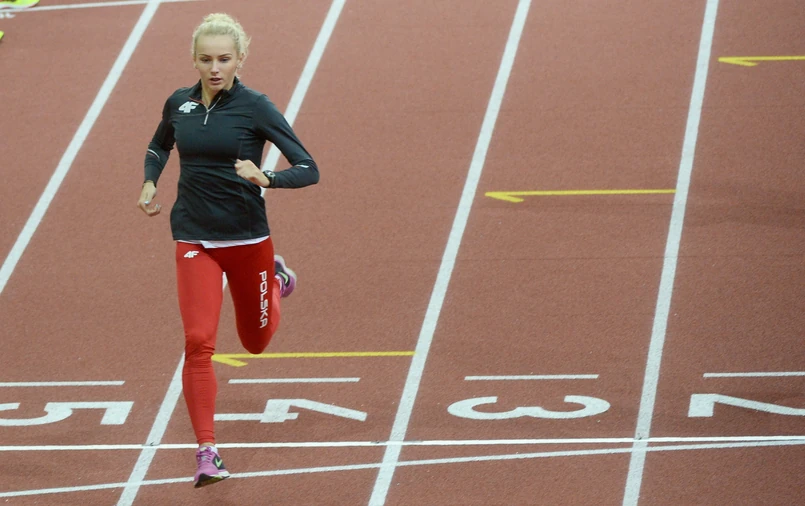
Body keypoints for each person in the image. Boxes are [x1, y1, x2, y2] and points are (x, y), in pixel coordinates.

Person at [137, 12, 319, 488]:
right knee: (199, 342)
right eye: (205, 59)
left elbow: (308, 167)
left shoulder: (256, 107)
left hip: (247, 240)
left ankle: (275, 279)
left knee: (255, 342)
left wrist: (268, 177)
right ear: (194, 60)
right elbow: (159, 146)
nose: (214, 68)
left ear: (240, 58)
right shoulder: (179, 103)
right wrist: (150, 182)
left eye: (223, 59)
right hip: (193, 237)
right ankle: (207, 452)